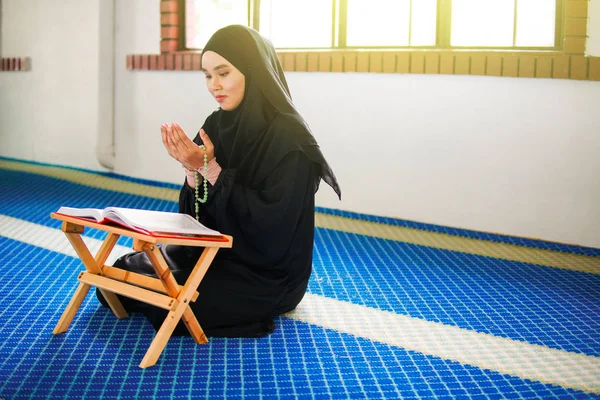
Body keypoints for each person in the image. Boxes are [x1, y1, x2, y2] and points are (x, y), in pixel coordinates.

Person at [97, 25, 341, 338]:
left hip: (267, 273)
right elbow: (194, 219)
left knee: (173, 305)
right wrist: (191, 170)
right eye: (207, 75)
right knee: (116, 277)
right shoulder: (217, 123)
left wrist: (209, 167)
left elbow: (272, 227)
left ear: (252, 71)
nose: (214, 86)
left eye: (223, 73)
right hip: (213, 254)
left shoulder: (291, 140)